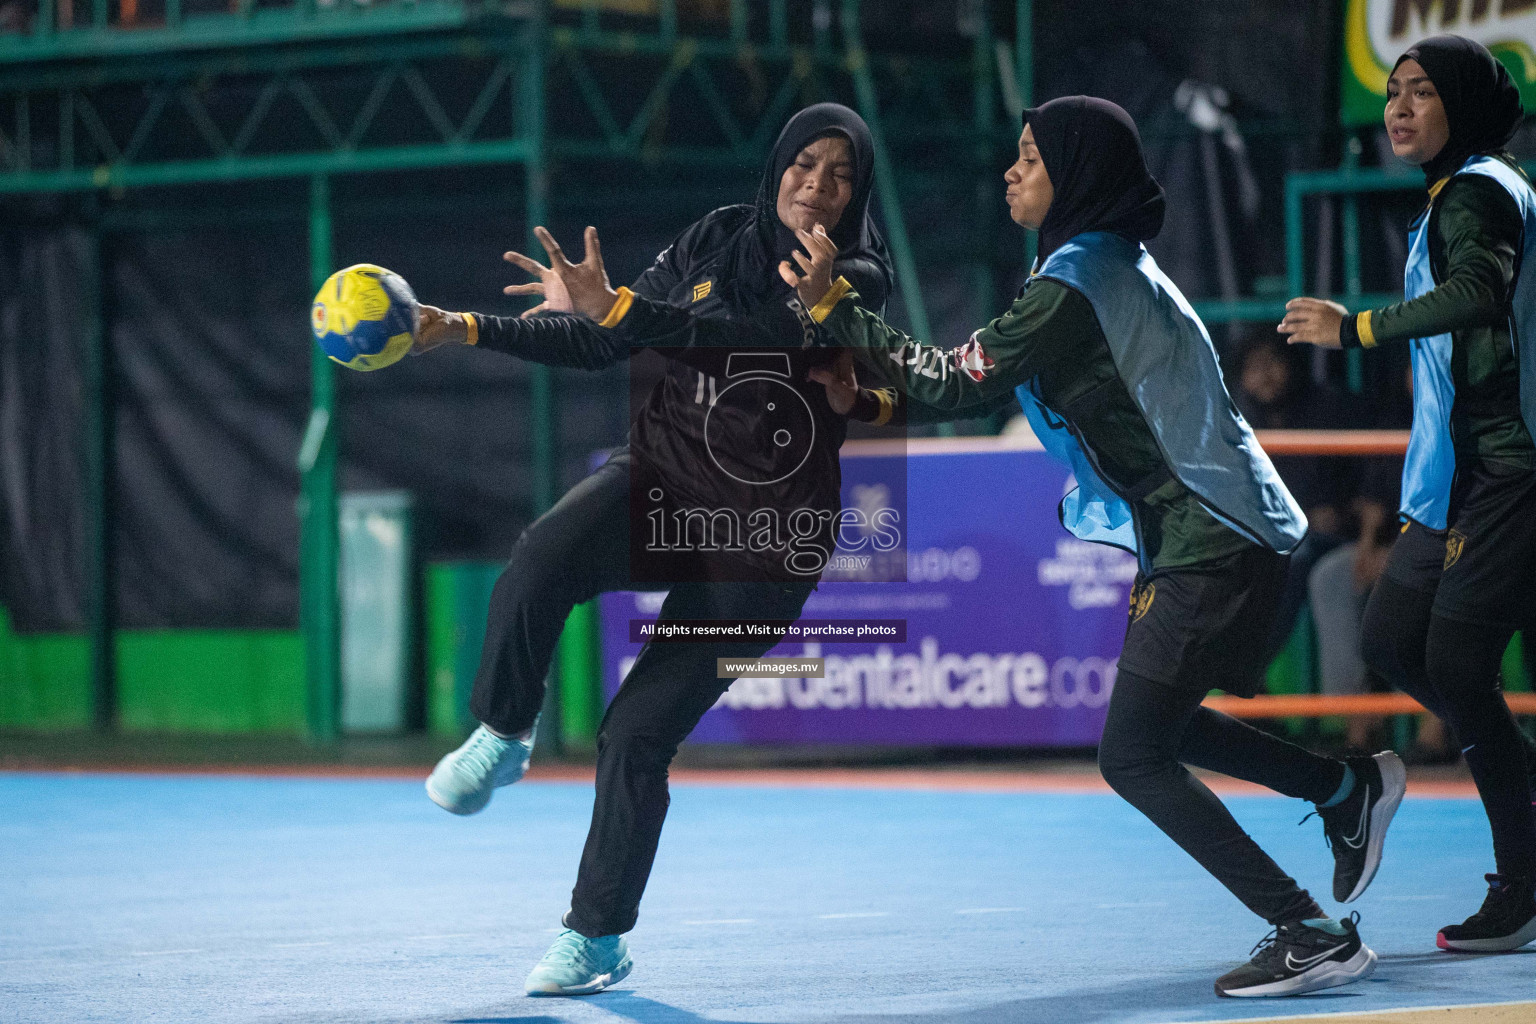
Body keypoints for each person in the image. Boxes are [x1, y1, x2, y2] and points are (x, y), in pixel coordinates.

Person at [556, 95, 1404, 998]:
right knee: (1161, 726)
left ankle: (1309, 929)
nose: (1011, 171)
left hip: (1211, 535)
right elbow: (969, 383)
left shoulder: (1075, 282)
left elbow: (958, 382)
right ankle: (1343, 791)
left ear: (1073, 178)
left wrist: (837, 306)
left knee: (1131, 755)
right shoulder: (1097, 264)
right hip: (1215, 530)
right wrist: (873, 399)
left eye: (1031, 158)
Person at [407, 103, 897, 996]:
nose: (817, 186)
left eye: (840, 174)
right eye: (804, 164)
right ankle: (505, 729)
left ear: (857, 192)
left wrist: (626, 310)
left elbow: (741, 340)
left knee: (634, 734)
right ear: (776, 166)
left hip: (765, 542)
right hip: (664, 480)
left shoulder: (856, 276)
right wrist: (460, 325)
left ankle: (594, 939)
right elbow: (606, 338)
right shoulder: (714, 233)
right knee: (542, 556)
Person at [1281, 35, 1536, 953]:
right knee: (1393, 638)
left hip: (1510, 466)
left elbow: (1477, 294)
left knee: (1462, 667)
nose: (1397, 107)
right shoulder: (1451, 196)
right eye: (1392, 91)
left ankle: (1524, 880)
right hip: (1450, 478)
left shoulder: (1478, 192)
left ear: (1460, 105)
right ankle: (1520, 775)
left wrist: (1357, 327)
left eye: (1420, 92)